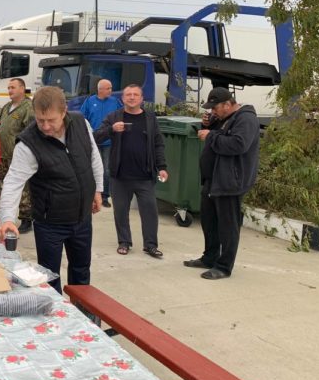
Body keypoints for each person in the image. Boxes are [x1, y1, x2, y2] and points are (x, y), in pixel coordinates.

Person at [0, 87, 103, 293]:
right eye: (40, 120)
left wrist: (97, 189)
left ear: (64, 112)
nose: (45, 126)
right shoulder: (28, 144)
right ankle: (55, 311)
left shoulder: (81, 124)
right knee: (49, 276)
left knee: (81, 271)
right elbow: (13, 182)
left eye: (51, 120)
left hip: (82, 218)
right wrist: (8, 218)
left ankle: (81, 309)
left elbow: (93, 157)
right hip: (50, 223)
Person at [185, 87, 260, 279]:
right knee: (209, 222)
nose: (212, 111)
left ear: (227, 104)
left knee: (228, 226)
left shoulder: (246, 119)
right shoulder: (226, 118)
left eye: (215, 108)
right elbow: (222, 133)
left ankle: (224, 266)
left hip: (230, 181)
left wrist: (210, 135)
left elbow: (238, 144)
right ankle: (209, 257)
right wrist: (210, 124)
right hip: (214, 179)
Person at [95, 84, 168, 258]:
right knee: (121, 212)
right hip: (120, 176)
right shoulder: (114, 117)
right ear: (123, 99)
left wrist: (162, 167)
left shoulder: (150, 118)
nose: (132, 97)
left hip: (145, 176)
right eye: (128, 94)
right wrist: (112, 129)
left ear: (142, 99)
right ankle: (124, 242)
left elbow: (158, 143)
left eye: (136, 94)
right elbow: (97, 136)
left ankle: (150, 245)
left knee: (150, 212)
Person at [0, 78, 35, 233]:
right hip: (2, 154)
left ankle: (26, 218)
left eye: (13, 87)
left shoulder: (28, 107)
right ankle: (6, 215)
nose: (10, 90)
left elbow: (31, 131)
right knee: (2, 185)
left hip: (17, 156)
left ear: (22, 88)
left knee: (23, 188)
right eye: (9, 88)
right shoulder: (6, 107)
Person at [80, 78, 122, 208]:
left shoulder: (115, 102)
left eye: (111, 88)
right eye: (108, 88)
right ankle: (90, 194)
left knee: (107, 170)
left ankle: (104, 196)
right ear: (100, 89)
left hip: (109, 141)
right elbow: (82, 118)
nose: (111, 90)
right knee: (92, 169)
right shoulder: (89, 101)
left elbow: (122, 115)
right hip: (93, 141)